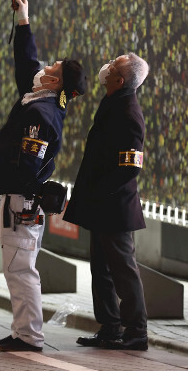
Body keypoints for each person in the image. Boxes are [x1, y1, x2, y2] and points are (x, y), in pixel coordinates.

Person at [0, 0, 87, 352]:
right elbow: (26, 61)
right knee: (18, 267)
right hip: (22, 201)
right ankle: (23, 332)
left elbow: (28, 163)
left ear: (55, 82)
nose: (43, 67)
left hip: (22, 203)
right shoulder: (41, 98)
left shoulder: (41, 114)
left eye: (51, 68)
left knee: (20, 269)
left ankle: (29, 336)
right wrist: (23, 17)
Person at [63, 53, 149, 351]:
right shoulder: (113, 102)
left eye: (113, 66)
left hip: (115, 207)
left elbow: (130, 166)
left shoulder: (128, 111)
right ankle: (110, 328)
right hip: (102, 205)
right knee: (100, 268)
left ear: (120, 79)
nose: (106, 68)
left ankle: (137, 332)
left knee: (123, 270)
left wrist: (101, 194)